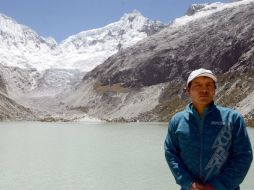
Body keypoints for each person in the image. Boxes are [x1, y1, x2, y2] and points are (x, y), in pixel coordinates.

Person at [164, 68, 253, 190]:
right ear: (188, 90)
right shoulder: (177, 121)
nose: (204, 90)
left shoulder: (233, 118)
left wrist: (217, 186)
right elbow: (171, 154)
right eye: (198, 85)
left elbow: (244, 156)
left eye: (209, 85)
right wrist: (188, 183)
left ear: (215, 89)